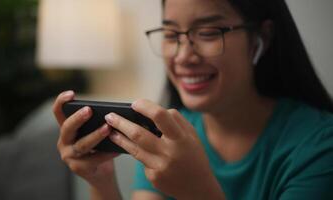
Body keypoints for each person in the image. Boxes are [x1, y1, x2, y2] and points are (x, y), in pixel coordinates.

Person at [52, 0, 333, 199]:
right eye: (172, 34)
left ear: (262, 37)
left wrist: (198, 192)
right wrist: (101, 180)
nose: (184, 56)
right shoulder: (170, 131)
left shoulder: (320, 147)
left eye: (208, 33)